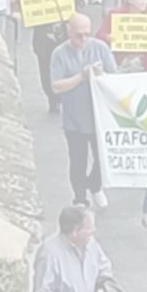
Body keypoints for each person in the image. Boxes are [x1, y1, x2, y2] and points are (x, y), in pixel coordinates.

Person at [50, 13, 118, 208]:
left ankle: (95, 184)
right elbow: (56, 86)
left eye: (87, 34)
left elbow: (114, 79)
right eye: (78, 35)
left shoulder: (101, 48)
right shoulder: (59, 54)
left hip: (99, 117)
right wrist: (81, 77)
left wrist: (100, 76)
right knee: (78, 160)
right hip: (74, 118)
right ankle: (80, 197)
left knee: (102, 157)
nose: (83, 39)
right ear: (69, 32)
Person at [20, 0, 82, 115]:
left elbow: (79, 2)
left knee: (67, 64)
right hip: (44, 33)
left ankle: (67, 96)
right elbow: (25, 1)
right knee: (45, 66)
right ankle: (52, 98)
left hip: (64, 31)